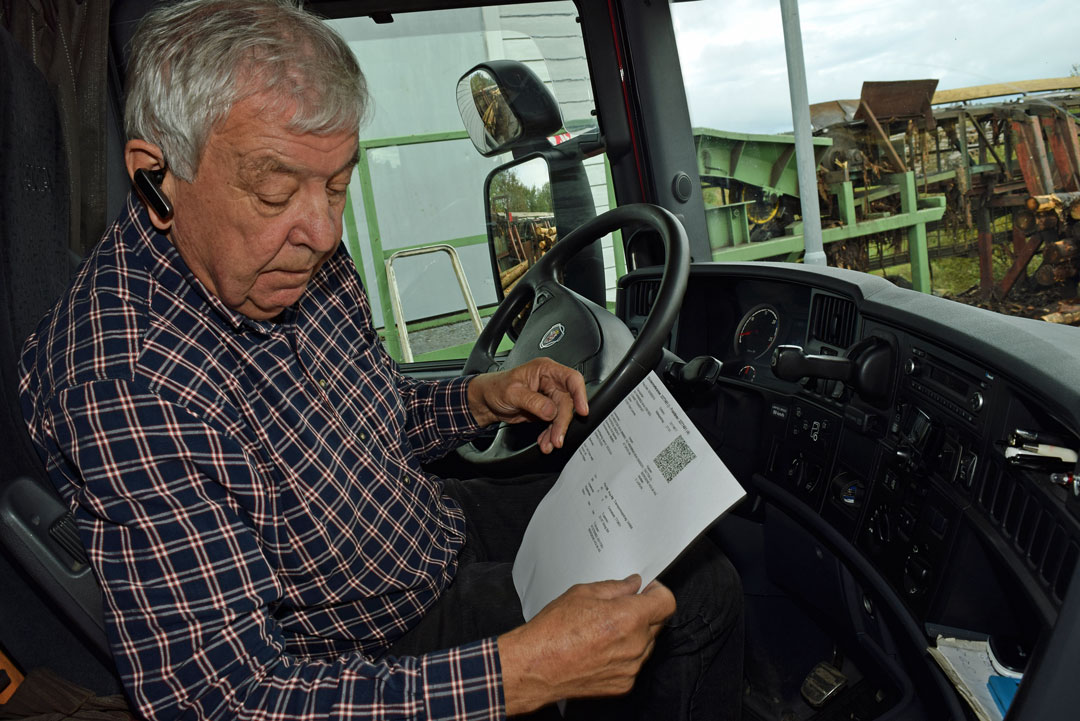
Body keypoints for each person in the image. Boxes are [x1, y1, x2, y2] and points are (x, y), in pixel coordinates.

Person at [19, 1, 742, 719]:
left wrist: (480, 399)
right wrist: (525, 671)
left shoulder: (288, 257)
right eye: (275, 192)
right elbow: (220, 697)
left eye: (338, 184)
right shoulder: (123, 380)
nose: (324, 232)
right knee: (699, 599)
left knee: (687, 548)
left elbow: (374, 412)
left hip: (425, 522)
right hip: (371, 637)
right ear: (157, 178)